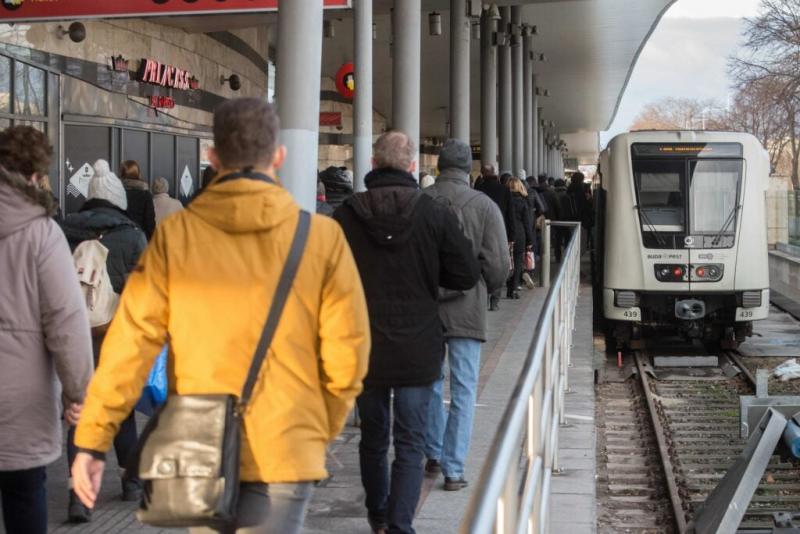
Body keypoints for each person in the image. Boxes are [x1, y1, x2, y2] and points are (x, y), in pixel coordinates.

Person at [71, 98, 370, 534]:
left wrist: (93, 442)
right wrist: (320, 423)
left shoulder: (176, 237)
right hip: (288, 439)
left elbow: (129, 347)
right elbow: (350, 351)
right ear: (279, 156)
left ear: (213, 157)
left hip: (199, 441)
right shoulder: (321, 239)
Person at [334, 131, 479, 534]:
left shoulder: (347, 214)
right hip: (418, 346)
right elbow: (466, 273)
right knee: (411, 442)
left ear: (375, 164)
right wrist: (431, 277)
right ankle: (400, 525)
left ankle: (377, 515)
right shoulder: (433, 213)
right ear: (413, 166)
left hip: (364, 346)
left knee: (374, 438)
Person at [0, 126, 93, 534]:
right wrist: (80, 393)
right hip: (20, 396)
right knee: (23, 492)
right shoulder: (41, 233)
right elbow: (67, 322)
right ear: (35, 176)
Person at [61, 159, 147, 522]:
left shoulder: (64, 231)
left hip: (75, 335)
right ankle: (131, 480)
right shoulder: (132, 235)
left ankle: (79, 497)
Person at [421, 139, 509, 492]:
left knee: (427, 383)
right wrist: (489, 288)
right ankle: (454, 468)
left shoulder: (419, 201)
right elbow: (499, 262)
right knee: (463, 388)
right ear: (467, 169)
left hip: (425, 308)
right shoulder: (484, 206)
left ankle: (433, 450)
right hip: (467, 309)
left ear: (440, 166)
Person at [475, 165, 515, 311]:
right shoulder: (504, 190)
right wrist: (512, 236)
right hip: (500, 231)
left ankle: (483, 296)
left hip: (481, 231)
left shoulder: (478, 190)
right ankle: (495, 300)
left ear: (482, 174)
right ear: (495, 174)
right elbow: (510, 214)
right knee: (499, 264)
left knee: (481, 263)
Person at [506, 177, 534, 298]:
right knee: (518, 262)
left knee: (507, 261)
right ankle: (514, 289)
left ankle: (508, 286)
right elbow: (527, 223)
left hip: (506, 233)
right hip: (520, 233)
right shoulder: (523, 202)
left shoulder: (504, 201)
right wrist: (529, 240)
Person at [119, 160, 156, 240]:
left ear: (122, 174)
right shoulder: (145, 194)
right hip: (140, 239)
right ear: (138, 173)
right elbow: (150, 222)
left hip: (120, 238)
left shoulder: (116, 193)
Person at [552, 178, 574, 263]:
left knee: (558, 239)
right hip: (567, 220)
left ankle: (558, 256)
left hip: (556, 220)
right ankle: (566, 256)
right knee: (567, 238)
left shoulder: (553, 194)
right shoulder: (567, 195)